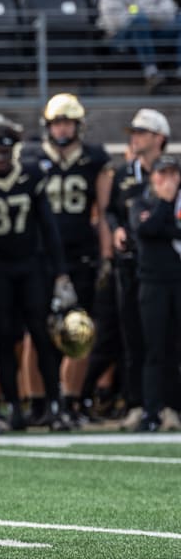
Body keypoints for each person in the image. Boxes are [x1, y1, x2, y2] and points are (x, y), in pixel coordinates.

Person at [19, 94, 113, 425]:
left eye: (67, 122)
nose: (62, 128)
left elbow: (101, 213)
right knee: (36, 332)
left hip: (80, 254)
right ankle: (38, 402)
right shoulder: (31, 157)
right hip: (42, 256)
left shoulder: (93, 159)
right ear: (48, 125)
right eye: (57, 122)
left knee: (80, 329)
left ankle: (71, 401)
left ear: (78, 125)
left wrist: (105, 257)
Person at [0, 119, 76, 431]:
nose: (1, 159)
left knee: (42, 337)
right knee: (6, 340)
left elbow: (49, 227)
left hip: (31, 266)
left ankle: (54, 405)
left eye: (6, 152)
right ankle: (15, 409)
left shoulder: (31, 175)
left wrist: (60, 273)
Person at [106, 108, 169, 429]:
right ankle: (136, 403)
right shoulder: (123, 174)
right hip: (130, 264)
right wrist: (116, 230)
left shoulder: (170, 171)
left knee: (165, 339)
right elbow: (112, 212)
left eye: (142, 132)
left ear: (159, 137)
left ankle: (167, 404)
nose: (135, 137)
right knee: (132, 336)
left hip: (162, 265)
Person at [130, 154, 181, 431]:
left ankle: (175, 407)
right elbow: (145, 229)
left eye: (173, 174)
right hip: (152, 283)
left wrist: (164, 224)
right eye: (163, 174)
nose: (168, 181)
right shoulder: (142, 201)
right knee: (154, 349)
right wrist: (164, 203)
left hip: (178, 280)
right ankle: (152, 411)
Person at [96, 0, 181, 91]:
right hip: (121, 38)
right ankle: (151, 73)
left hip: (154, 34)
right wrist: (143, 15)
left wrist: (139, 12)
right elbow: (113, 22)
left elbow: (169, 13)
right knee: (139, 21)